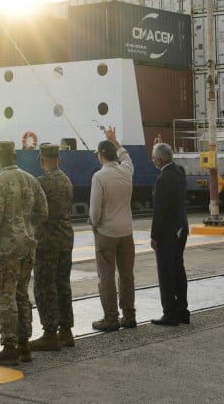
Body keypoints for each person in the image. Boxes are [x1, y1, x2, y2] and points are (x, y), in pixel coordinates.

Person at [0, 140, 48, 365]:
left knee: (5, 297)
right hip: (27, 247)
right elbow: (43, 212)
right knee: (21, 295)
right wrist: (28, 229)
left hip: (6, 251)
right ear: (15, 156)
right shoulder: (31, 180)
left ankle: (9, 347)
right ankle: (24, 346)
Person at [28, 143, 75, 351]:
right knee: (63, 284)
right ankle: (66, 331)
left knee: (44, 286)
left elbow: (35, 213)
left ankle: (49, 333)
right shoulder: (66, 180)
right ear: (59, 159)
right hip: (66, 239)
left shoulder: (41, 183)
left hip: (47, 242)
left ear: (41, 159)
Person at [89, 126, 136, 331]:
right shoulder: (127, 171)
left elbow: (94, 211)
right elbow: (126, 157)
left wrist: (95, 226)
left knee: (106, 275)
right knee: (126, 274)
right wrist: (115, 141)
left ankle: (110, 318)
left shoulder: (99, 177)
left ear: (100, 156)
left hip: (107, 232)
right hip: (127, 231)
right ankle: (129, 316)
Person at [150, 141, 189, 325]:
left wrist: (154, 236)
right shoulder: (179, 171)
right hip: (181, 228)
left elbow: (159, 211)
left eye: (153, 156)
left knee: (165, 272)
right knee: (178, 269)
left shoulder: (162, 179)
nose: (152, 159)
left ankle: (169, 313)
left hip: (167, 233)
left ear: (158, 159)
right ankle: (182, 310)